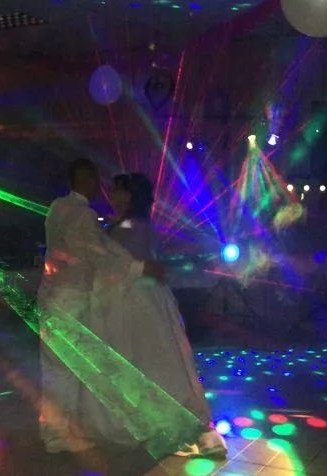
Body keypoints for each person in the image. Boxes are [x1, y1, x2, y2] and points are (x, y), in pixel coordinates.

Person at [81, 172, 228, 458]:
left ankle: (152, 420)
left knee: (142, 358)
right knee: (153, 359)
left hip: (134, 301)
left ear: (133, 196)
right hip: (142, 298)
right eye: (114, 190)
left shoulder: (128, 227)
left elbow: (122, 266)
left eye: (121, 190)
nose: (114, 195)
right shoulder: (130, 224)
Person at [38, 159, 164, 454]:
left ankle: (53, 430)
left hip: (50, 293)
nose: (101, 188)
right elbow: (101, 254)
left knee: (53, 366)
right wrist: (140, 268)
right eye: (96, 180)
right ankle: (58, 436)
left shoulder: (57, 206)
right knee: (67, 367)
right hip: (71, 296)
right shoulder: (84, 214)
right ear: (87, 180)